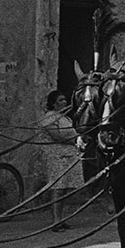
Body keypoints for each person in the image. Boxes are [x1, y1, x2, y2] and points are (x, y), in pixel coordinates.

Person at [38, 89, 80, 231]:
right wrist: (77, 139)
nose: (64, 102)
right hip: (56, 157)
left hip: (67, 156)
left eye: (64, 100)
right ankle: (55, 221)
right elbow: (57, 136)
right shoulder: (49, 118)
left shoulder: (64, 118)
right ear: (54, 104)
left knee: (65, 189)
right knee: (57, 188)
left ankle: (61, 219)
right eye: (61, 100)